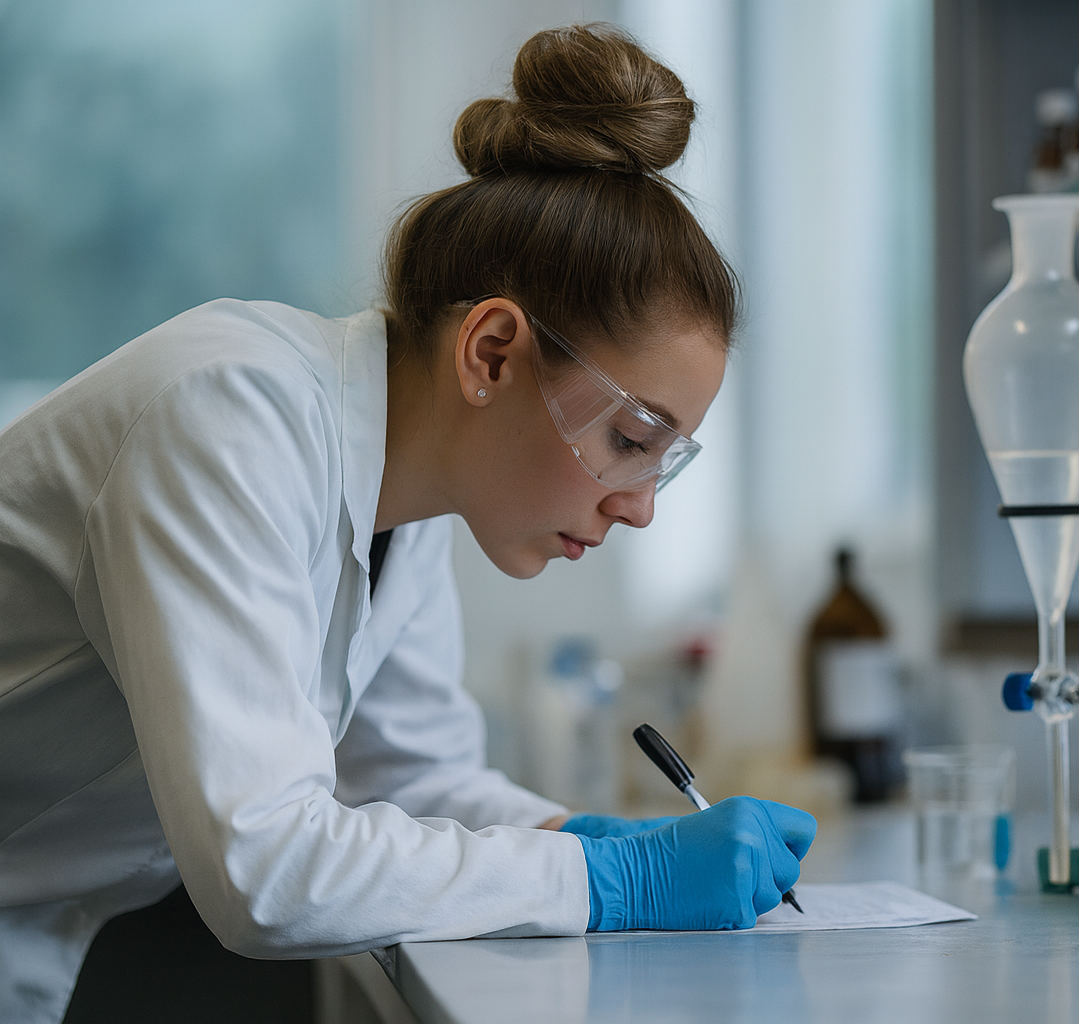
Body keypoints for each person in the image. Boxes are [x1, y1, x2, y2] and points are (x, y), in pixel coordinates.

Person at [0, 24, 816, 1024]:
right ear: (493, 354)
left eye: (666, 460)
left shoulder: (412, 495)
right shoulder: (222, 417)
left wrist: (577, 834)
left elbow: (414, 778)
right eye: (633, 437)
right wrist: (613, 882)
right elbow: (268, 866)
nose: (640, 506)